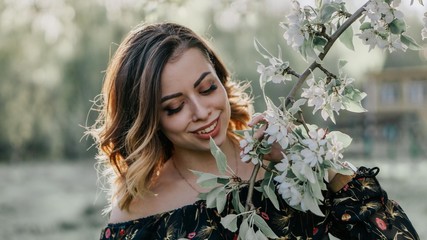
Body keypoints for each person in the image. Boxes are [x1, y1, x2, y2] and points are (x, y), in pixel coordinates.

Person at [90, 22, 419, 239]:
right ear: (148, 119)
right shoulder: (138, 215)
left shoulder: (290, 162)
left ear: (222, 80)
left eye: (207, 88)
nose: (202, 112)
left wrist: (317, 163)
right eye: (174, 107)